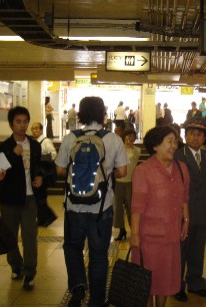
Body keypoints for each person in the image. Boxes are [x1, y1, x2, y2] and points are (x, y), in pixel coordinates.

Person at [55, 96, 128, 307]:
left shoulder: (71, 138)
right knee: (98, 254)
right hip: (101, 207)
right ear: (103, 114)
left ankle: (78, 288)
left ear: (81, 114)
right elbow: (122, 171)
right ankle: (96, 301)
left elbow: (60, 170)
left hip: (74, 207)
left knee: (72, 247)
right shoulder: (113, 139)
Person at [131, 126, 190, 307]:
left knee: (165, 280)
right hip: (148, 239)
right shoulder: (144, 171)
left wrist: (186, 220)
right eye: (169, 142)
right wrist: (134, 236)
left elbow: (184, 197)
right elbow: (137, 207)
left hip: (171, 236)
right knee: (146, 281)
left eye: (175, 141)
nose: (174, 146)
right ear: (155, 146)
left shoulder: (181, 168)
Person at [0, 106, 43, 290]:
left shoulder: (35, 145)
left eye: (25, 121)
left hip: (29, 198)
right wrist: (12, 154)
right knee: (10, 235)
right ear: (11, 124)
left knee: (30, 236)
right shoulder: (3, 147)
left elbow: (41, 168)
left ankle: (30, 272)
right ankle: (16, 265)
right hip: (9, 199)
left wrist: (41, 178)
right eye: (18, 122)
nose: (23, 125)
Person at [173, 117, 206, 302]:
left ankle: (196, 284)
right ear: (185, 135)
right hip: (183, 213)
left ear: (204, 138)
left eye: (199, 135)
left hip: (202, 212)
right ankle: (177, 286)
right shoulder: (178, 156)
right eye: (191, 134)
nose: (195, 138)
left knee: (198, 249)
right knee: (181, 250)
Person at [113, 128, 141, 241]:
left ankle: (133, 229)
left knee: (131, 207)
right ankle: (121, 230)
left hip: (130, 183)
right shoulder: (118, 150)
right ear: (124, 137)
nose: (130, 138)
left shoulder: (137, 150)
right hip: (119, 182)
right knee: (118, 208)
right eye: (128, 136)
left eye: (132, 136)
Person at [30, 122, 57, 227]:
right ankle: (42, 218)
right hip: (37, 172)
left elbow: (53, 154)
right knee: (38, 197)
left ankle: (49, 216)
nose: (34, 131)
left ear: (41, 130)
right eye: (33, 129)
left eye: (36, 128)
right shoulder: (34, 142)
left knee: (40, 197)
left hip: (44, 173)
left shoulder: (45, 141)